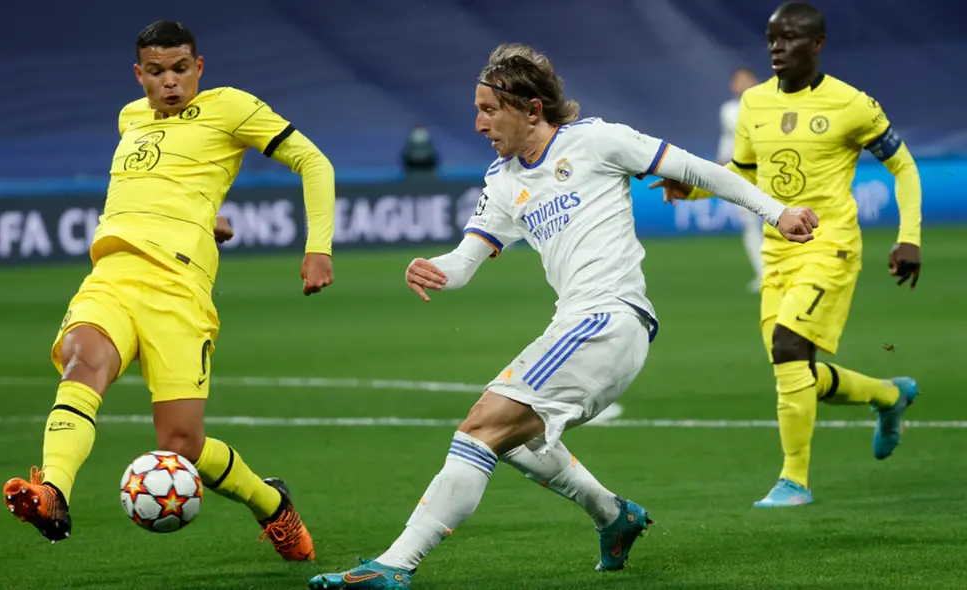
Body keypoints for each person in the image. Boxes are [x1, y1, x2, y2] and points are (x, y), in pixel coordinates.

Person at [308, 43, 817, 589]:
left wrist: (778, 212)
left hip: (610, 318)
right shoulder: (503, 182)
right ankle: (613, 516)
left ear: (531, 109)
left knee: (480, 428)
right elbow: (464, 262)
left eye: (488, 110)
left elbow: (699, 170)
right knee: (518, 441)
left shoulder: (596, 141)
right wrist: (436, 268)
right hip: (575, 325)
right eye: (476, 110)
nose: (478, 124)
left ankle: (394, 566)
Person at [1, 20, 335, 559]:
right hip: (113, 274)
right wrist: (206, 217)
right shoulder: (130, 118)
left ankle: (271, 505)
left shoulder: (231, 106)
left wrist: (318, 245)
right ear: (139, 75)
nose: (170, 82)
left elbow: (313, 162)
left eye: (181, 69)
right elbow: (164, 186)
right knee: (82, 359)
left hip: (179, 290)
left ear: (198, 67)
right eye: (156, 72)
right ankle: (52, 490)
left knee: (181, 444)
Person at [651, 2, 922, 508]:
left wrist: (910, 237)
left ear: (817, 45)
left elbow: (903, 167)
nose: (777, 47)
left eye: (790, 38)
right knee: (794, 370)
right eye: (772, 38)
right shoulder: (753, 103)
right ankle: (889, 395)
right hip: (777, 251)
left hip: (831, 246)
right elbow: (747, 172)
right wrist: (692, 188)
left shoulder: (852, 104)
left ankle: (793, 480)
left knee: (789, 347)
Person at [718, 67, 764, 292]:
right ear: (733, 86)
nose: (744, 83)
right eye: (739, 80)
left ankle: (783, 270)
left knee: (776, 220)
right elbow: (732, 136)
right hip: (743, 173)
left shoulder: (770, 104)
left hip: (769, 170)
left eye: (748, 78)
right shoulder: (729, 110)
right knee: (750, 224)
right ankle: (763, 272)